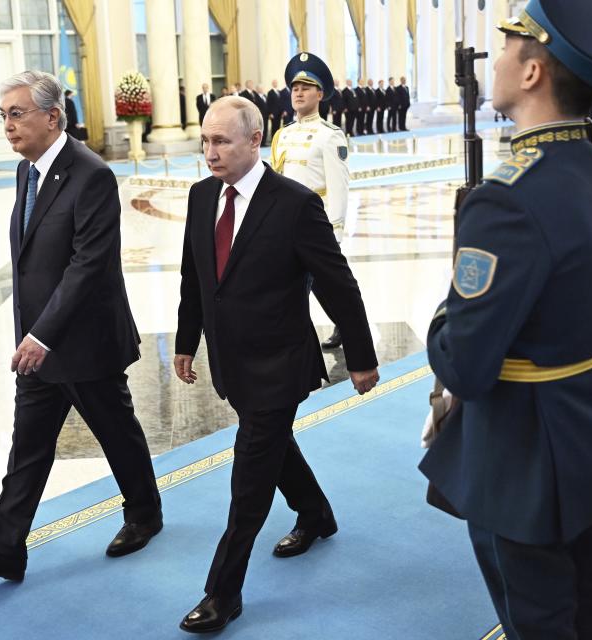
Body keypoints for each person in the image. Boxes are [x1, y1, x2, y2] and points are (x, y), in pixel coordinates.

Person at [419, 0, 592, 636]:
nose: (491, 61)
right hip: (590, 423)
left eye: (504, 48)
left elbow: (465, 363)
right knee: (584, 607)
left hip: (522, 451)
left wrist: (443, 317)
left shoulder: (508, 198)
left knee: (539, 619)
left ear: (531, 74)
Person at [0, 70, 162, 582]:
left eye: (16, 114)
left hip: (84, 342)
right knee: (28, 449)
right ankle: (5, 550)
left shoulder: (90, 174)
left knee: (117, 433)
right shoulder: (27, 171)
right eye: (3, 115)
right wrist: (32, 333)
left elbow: (88, 264)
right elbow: (31, 260)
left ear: (52, 116)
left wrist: (43, 334)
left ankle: (145, 514)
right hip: (37, 345)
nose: (7, 125)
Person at [175, 95, 378, 633]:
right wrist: (184, 342)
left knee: (249, 478)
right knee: (273, 446)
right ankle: (316, 514)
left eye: (221, 141)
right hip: (231, 363)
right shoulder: (201, 197)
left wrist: (360, 357)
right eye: (204, 140)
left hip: (279, 364)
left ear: (254, 141)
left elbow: (339, 284)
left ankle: (223, 593)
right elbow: (195, 279)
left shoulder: (293, 203)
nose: (209, 151)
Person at [271, 52, 351, 351]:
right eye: (295, 88)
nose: (299, 92)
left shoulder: (330, 136)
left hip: (315, 224)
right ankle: (292, 338)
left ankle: (347, 323)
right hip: (284, 224)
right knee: (293, 285)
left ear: (320, 94)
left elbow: (338, 187)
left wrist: (336, 232)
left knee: (329, 284)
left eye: (306, 87)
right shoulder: (283, 135)